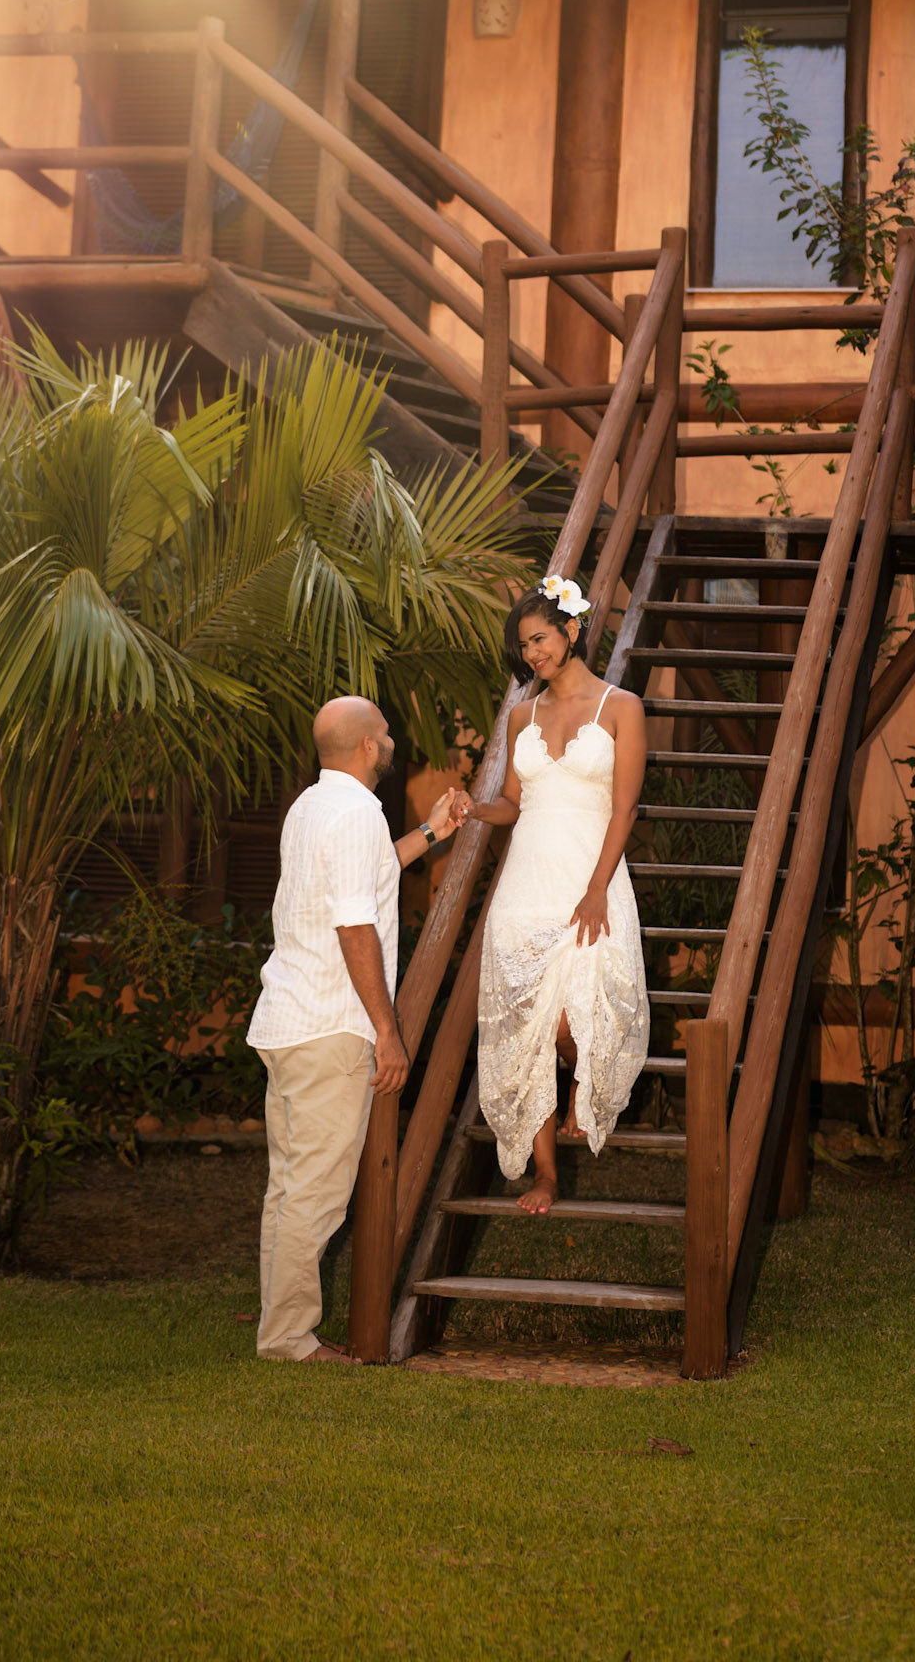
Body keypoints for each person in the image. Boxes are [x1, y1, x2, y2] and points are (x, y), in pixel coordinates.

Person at [248, 695, 462, 1362]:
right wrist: (386, 1030)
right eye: (388, 731)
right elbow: (353, 926)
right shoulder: (355, 812)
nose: (394, 739)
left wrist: (430, 834)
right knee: (312, 1195)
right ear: (370, 746)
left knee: (290, 1189)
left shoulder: (316, 806)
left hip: (290, 1022)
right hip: (328, 1028)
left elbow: (361, 883)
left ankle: (280, 1332)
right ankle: (287, 1340)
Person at [458, 574, 649, 1214]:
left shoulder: (622, 707)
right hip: (526, 886)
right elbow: (515, 804)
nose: (533, 653)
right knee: (524, 1026)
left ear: (572, 630)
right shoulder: (521, 716)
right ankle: (545, 1175)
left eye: (540, 638)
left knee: (572, 1017)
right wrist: (474, 811)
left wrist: (597, 890)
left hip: (589, 881)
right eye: (524, 646)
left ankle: (580, 1084)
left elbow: (624, 810)